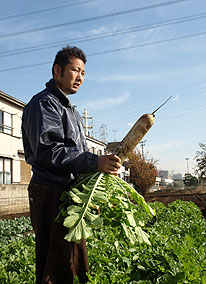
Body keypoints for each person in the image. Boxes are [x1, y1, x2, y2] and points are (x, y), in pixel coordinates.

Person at [21, 46, 121, 284]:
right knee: (55, 266)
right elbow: (49, 152)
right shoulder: (45, 105)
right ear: (58, 70)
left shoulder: (71, 111)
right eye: (75, 70)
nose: (80, 77)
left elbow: (78, 154)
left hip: (68, 195)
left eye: (84, 73)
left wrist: (99, 171)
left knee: (73, 261)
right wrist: (94, 162)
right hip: (50, 192)